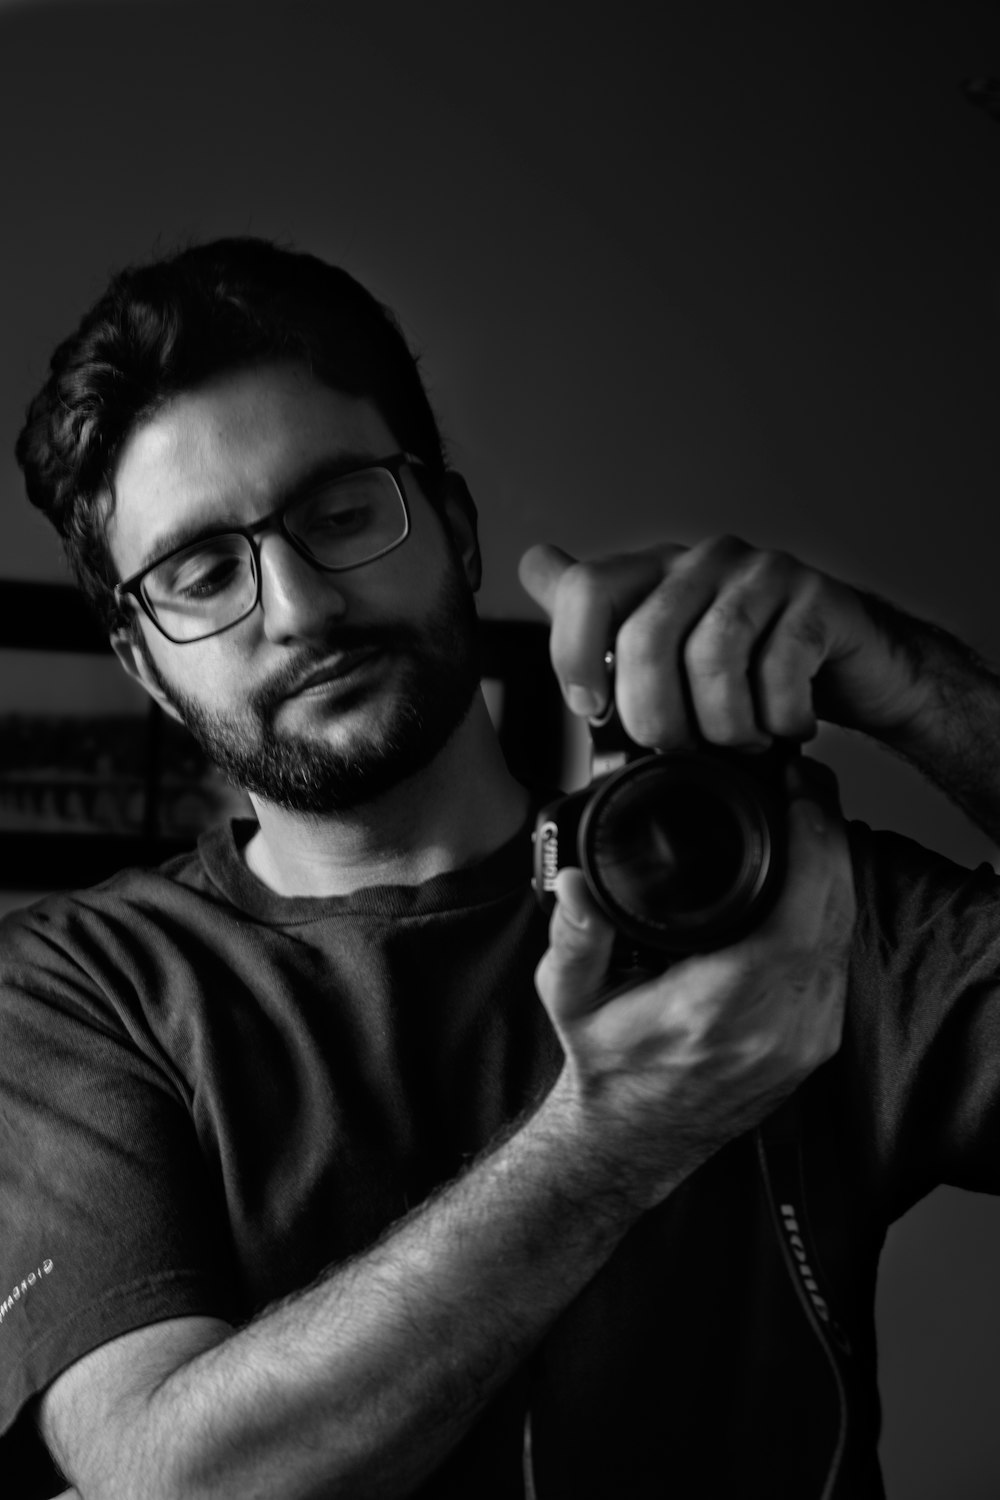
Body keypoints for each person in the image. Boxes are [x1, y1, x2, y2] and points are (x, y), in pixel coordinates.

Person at [3, 237, 1000, 1500]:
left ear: (456, 530)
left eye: (341, 512)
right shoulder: (75, 991)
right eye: (202, 572)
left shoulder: (768, 902)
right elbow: (176, 1480)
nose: (301, 607)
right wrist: (620, 1139)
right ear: (146, 664)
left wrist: (921, 687)